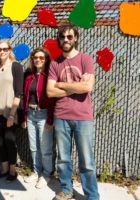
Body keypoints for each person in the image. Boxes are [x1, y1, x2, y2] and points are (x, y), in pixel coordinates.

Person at [47, 23, 100, 200]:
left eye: (70, 37)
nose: (66, 40)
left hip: (83, 117)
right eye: (62, 37)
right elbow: (50, 91)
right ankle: (66, 190)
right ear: (59, 40)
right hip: (61, 116)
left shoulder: (86, 59)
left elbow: (88, 86)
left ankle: (92, 195)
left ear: (76, 38)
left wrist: (61, 84)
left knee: (87, 161)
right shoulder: (55, 64)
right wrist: (76, 87)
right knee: (63, 159)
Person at [0, 40, 24, 182]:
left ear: (10, 50)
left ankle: (12, 170)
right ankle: (3, 169)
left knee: (10, 141)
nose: (2, 51)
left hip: (10, 111)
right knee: (0, 142)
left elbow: (19, 93)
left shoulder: (16, 66)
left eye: (5, 49)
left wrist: (12, 114)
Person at [22, 47, 55, 189]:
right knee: (34, 146)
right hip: (30, 113)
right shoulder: (28, 75)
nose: (38, 60)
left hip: (44, 114)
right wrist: (24, 117)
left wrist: (50, 119)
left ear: (46, 59)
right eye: (36, 57)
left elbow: (54, 99)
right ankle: (36, 172)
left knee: (45, 147)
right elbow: (25, 97)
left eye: (42, 58)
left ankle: (46, 174)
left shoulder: (50, 75)